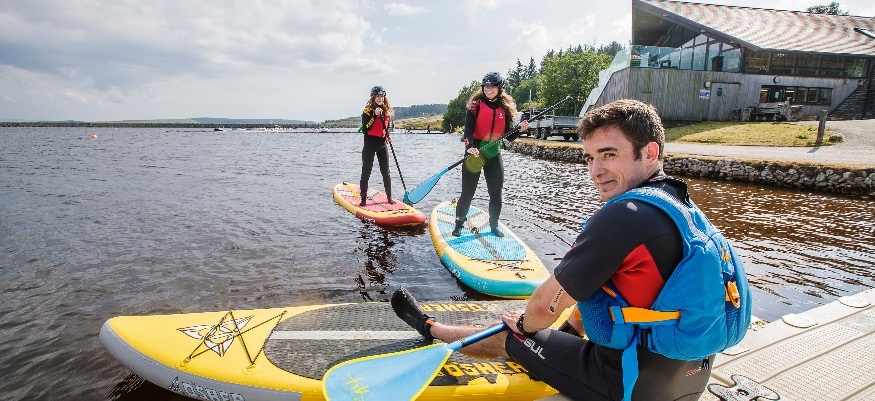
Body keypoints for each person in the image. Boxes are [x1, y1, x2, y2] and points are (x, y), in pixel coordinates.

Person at [393, 99, 728, 400]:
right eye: (590, 158)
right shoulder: (682, 205)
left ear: (650, 153)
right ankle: (565, 338)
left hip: (626, 386)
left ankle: (431, 328)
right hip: (687, 378)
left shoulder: (624, 216)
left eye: (609, 154)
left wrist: (524, 325)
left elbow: (542, 307)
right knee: (594, 294)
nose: (596, 171)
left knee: (514, 333)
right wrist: (566, 331)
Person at [451, 72, 529, 237]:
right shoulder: (476, 105)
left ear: (499, 88)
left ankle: (493, 226)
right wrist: (470, 147)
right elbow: (468, 130)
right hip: (475, 153)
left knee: (496, 193)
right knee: (468, 192)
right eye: (486, 86)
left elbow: (509, 136)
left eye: (492, 86)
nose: (489, 89)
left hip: (493, 153)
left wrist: (519, 130)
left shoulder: (505, 109)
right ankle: (458, 225)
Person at [358, 85, 394, 206]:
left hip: (382, 144)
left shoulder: (386, 111)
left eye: (381, 96)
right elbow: (365, 128)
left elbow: (386, 126)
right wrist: (374, 115)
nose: (380, 98)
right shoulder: (367, 111)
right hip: (370, 143)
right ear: (373, 98)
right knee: (366, 171)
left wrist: (387, 135)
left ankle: (389, 198)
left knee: (386, 172)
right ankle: (363, 199)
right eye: (377, 96)